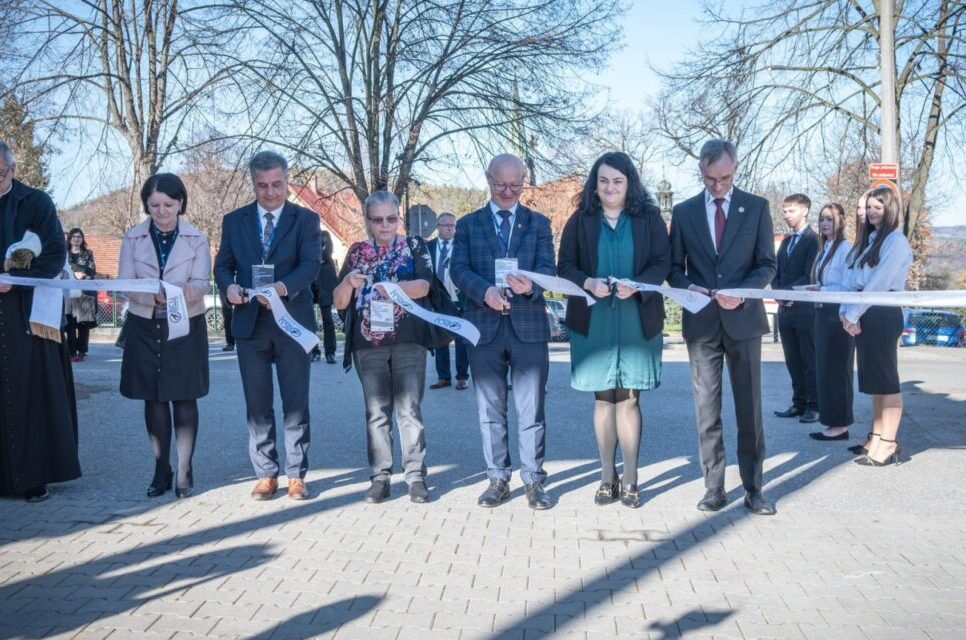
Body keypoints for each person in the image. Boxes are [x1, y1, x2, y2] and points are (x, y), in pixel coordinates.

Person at [667, 139, 778, 516]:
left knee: (750, 409)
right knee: (706, 410)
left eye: (725, 178)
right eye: (711, 178)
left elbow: (767, 264)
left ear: (735, 169)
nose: (718, 186)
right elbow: (670, 268)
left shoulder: (757, 208)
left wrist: (744, 293)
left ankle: (754, 488)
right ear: (700, 171)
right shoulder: (683, 213)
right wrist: (688, 287)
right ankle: (714, 488)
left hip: (744, 320)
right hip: (701, 324)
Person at [557, 152, 670, 509]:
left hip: (637, 318)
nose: (610, 188)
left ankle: (632, 477)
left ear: (629, 184)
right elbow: (565, 267)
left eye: (617, 181)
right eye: (603, 181)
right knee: (604, 398)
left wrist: (639, 284)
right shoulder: (580, 220)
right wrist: (587, 281)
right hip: (594, 321)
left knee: (630, 398)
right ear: (595, 183)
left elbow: (662, 262)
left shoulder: (649, 218)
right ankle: (608, 476)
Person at [450, 153, 556, 510]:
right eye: (501, 185)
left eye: (516, 185)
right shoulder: (468, 224)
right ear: (488, 179)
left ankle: (533, 480)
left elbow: (547, 268)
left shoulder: (539, 223)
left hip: (528, 326)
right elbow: (458, 269)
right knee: (490, 408)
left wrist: (530, 285)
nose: (509, 191)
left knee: (532, 409)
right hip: (484, 326)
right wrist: (485, 292)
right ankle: (497, 477)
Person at [214, 151, 321, 501]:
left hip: (291, 321)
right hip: (249, 323)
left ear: (287, 181)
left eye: (277, 184)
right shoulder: (234, 221)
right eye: (263, 186)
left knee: (295, 401)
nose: (271, 192)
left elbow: (310, 267)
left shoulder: (306, 219)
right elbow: (223, 265)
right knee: (257, 403)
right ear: (253, 183)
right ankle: (265, 473)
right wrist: (227, 286)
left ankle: (296, 474)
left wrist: (280, 289)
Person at [334, 191, 434, 504]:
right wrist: (349, 282)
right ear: (368, 221)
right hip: (368, 343)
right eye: (378, 220)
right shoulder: (356, 251)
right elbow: (337, 301)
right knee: (376, 412)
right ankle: (380, 477)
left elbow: (424, 286)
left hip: (408, 340)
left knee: (409, 409)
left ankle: (415, 476)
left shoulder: (414, 246)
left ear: (399, 218)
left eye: (391, 218)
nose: (385, 225)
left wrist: (391, 289)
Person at [119, 173, 211, 499]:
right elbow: (125, 284)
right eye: (154, 205)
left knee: (184, 397)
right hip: (145, 324)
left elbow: (203, 283)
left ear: (181, 203)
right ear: (147, 205)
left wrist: (174, 293)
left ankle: (184, 469)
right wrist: (151, 296)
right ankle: (161, 468)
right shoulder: (131, 238)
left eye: (168, 205)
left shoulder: (197, 239)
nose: (161, 211)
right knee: (153, 398)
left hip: (185, 323)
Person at [0, 139, 81, 502]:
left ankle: (32, 476)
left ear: (12, 170)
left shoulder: (36, 202)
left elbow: (53, 252)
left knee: (27, 392)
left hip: (26, 314)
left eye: (0, 175)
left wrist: (16, 278)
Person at [840, 186, 912, 466]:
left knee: (887, 380)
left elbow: (878, 283)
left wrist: (854, 314)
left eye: (877, 207)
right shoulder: (871, 240)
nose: (870, 212)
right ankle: (876, 436)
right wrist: (847, 314)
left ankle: (889, 444)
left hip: (882, 312)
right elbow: (853, 282)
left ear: (890, 209)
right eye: (868, 207)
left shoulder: (896, 241)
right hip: (865, 311)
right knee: (874, 382)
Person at [806, 203, 854, 441]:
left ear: (842, 221)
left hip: (837, 313)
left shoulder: (845, 248)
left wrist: (822, 288)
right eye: (822, 219)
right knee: (825, 368)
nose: (825, 224)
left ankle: (840, 424)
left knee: (837, 368)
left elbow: (848, 285)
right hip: (822, 311)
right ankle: (831, 421)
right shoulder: (825, 248)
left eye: (830, 219)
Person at [773, 194, 820, 424]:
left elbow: (810, 272)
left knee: (809, 359)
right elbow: (776, 269)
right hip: (785, 310)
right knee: (792, 359)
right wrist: (778, 292)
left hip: (805, 309)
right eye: (785, 211)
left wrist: (790, 293)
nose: (786, 215)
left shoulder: (814, 240)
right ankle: (798, 403)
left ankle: (814, 405)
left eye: (790, 210)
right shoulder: (786, 241)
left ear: (805, 211)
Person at [427, 212, 469, 390]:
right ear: (437, 227)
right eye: (446, 225)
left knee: (461, 338)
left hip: (459, 296)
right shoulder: (428, 247)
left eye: (453, 225)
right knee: (441, 339)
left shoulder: (463, 246)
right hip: (438, 298)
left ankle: (462, 377)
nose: (450, 228)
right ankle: (443, 377)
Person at [65, 228, 98, 362]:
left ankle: (82, 352)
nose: (76, 239)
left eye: (79, 236)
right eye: (74, 236)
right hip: (69, 292)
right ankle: (71, 352)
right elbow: (64, 269)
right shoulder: (65, 254)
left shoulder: (88, 253)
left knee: (84, 325)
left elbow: (92, 270)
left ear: (82, 239)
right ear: (70, 239)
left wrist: (80, 273)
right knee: (70, 325)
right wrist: (74, 273)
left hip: (85, 293)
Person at [310, 230, 339, 364]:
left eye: (324, 241)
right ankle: (313, 351)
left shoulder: (329, 262)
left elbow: (332, 279)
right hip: (310, 288)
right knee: (309, 321)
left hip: (325, 291)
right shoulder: (310, 258)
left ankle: (330, 352)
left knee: (327, 320)